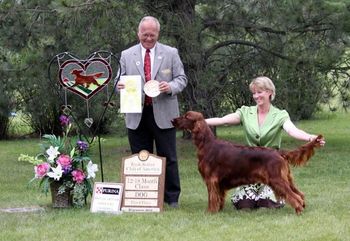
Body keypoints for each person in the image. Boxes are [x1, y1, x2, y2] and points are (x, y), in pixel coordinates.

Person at [205, 76, 325, 210]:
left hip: (270, 163)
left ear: (269, 92)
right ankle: (291, 198)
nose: (256, 96)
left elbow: (292, 131)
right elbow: (223, 120)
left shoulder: (280, 115)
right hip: (249, 167)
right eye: (254, 93)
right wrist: (200, 122)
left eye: (260, 92)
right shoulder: (246, 112)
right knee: (244, 205)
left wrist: (310, 138)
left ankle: (294, 199)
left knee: (266, 203)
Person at [117, 16, 188, 208]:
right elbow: (117, 81)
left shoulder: (171, 53)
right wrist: (120, 86)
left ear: (158, 34)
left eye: (152, 35)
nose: (148, 38)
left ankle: (172, 198)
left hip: (164, 113)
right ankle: (143, 198)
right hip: (136, 113)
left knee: (169, 157)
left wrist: (170, 86)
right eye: (145, 34)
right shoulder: (126, 54)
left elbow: (181, 79)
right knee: (140, 157)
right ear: (138, 33)